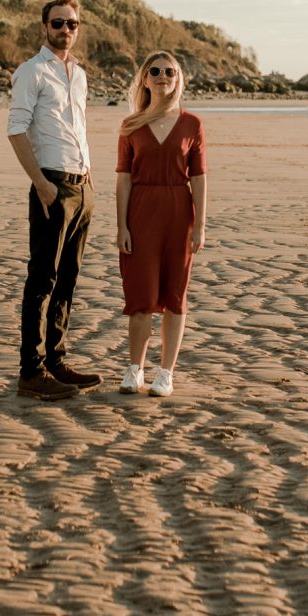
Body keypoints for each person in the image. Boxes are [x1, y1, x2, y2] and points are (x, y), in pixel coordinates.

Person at [7, 0, 101, 401]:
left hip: (82, 188)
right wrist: (41, 183)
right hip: (52, 187)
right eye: (58, 23)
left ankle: (56, 361)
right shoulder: (32, 72)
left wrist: (89, 177)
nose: (66, 30)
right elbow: (16, 130)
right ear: (44, 26)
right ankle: (31, 372)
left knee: (68, 278)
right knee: (42, 279)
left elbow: (76, 127)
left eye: (73, 24)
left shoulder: (77, 74)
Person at [116, 51, 207, 396]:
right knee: (140, 293)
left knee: (174, 294)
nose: (162, 76)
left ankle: (165, 372)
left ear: (178, 78)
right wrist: (121, 226)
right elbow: (123, 179)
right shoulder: (131, 125)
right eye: (154, 71)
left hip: (179, 212)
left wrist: (200, 225)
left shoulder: (192, 124)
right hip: (141, 212)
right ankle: (134, 368)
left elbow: (198, 178)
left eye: (169, 71)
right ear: (144, 79)